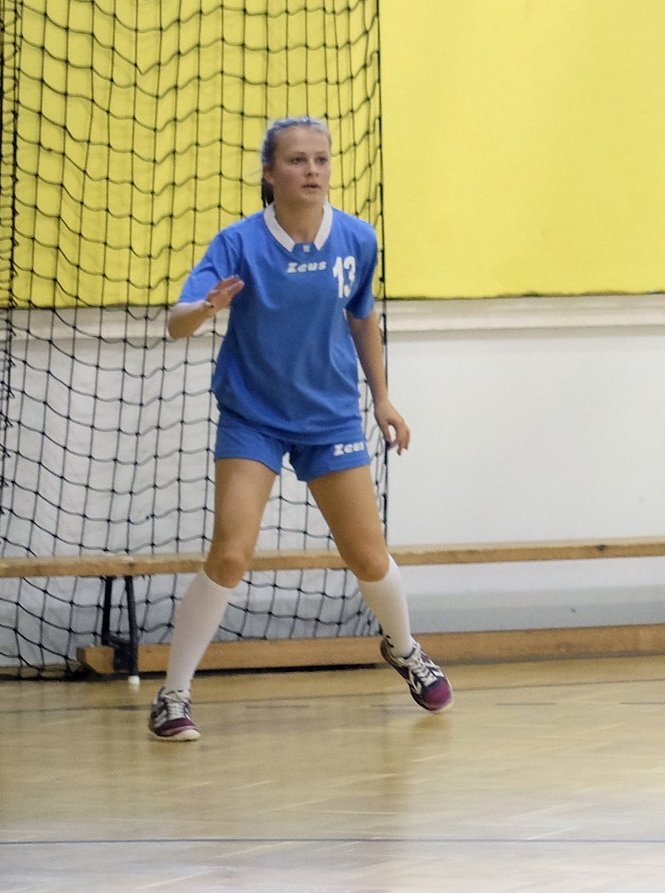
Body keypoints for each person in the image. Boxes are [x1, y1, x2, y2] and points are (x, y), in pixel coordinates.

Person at [148, 117, 449, 742]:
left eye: (320, 159)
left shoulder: (358, 239)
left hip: (329, 416)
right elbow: (175, 323)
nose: (311, 170)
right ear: (269, 172)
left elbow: (361, 318)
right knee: (231, 552)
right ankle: (173, 695)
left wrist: (383, 399)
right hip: (254, 415)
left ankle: (404, 648)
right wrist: (205, 308)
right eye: (296, 160)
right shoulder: (237, 243)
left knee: (368, 555)